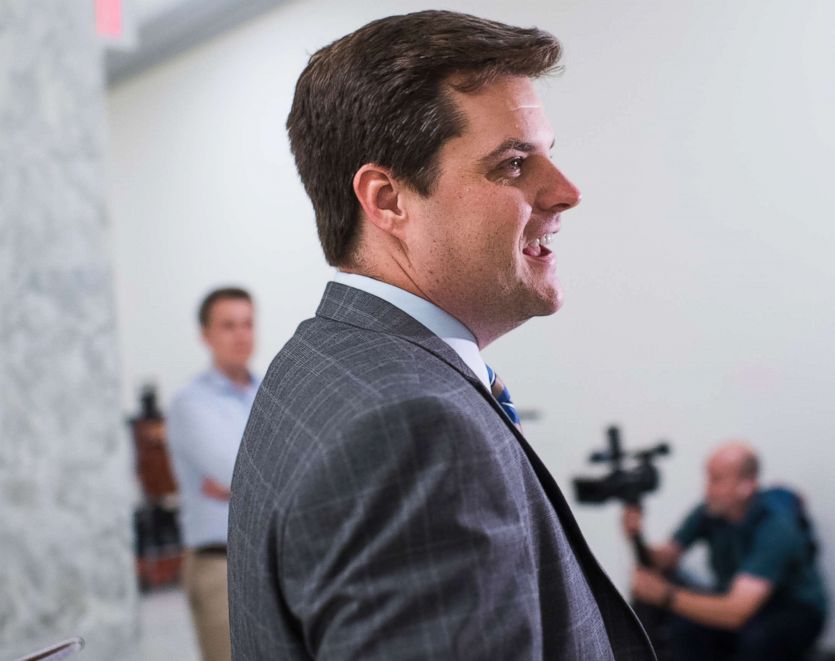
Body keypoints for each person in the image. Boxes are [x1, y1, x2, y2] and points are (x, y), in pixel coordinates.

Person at [226, 10, 654, 661]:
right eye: (513, 164)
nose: (565, 192)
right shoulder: (412, 429)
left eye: (548, 156)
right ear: (389, 199)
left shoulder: (316, 364)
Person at [625, 442, 827, 661]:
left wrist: (664, 595)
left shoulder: (776, 527)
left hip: (791, 610)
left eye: (717, 480)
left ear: (746, 485)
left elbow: (736, 612)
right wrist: (636, 536)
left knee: (757, 640)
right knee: (685, 627)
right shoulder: (709, 512)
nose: (708, 489)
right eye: (708, 478)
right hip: (738, 601)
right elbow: (665, 559)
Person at [168, 287, 258, 661]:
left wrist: (244, 484)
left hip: (274, 560)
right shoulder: (190, 403)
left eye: (248, 324)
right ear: (206, 335)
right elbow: (240, 470)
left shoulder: (270, 390)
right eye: (228, 326)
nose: (241, 334)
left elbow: (259, 475)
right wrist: (249, 481)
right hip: (219, 568)